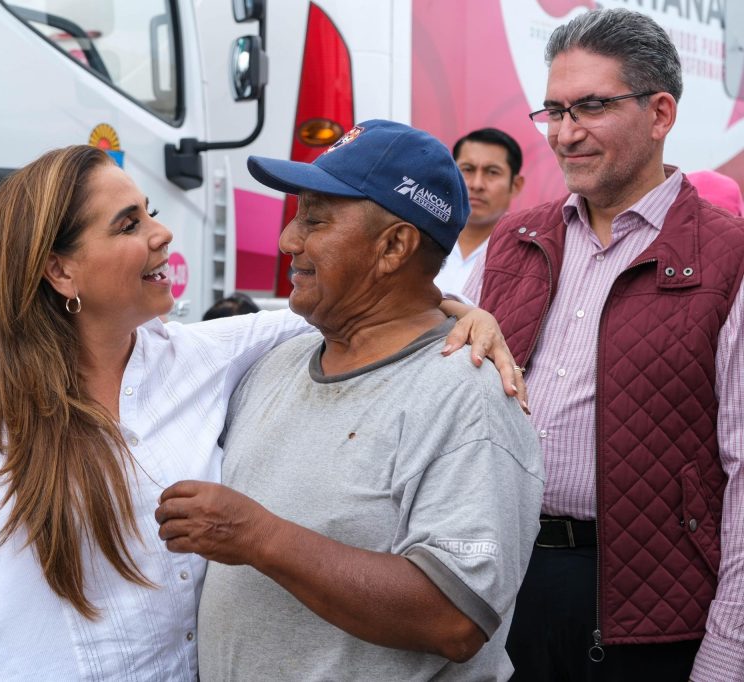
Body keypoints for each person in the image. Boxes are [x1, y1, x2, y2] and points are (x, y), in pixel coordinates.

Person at [0, 145, 523, 681]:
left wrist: (467, 313)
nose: (161, 234)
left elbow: (379, 305)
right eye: (128, 225)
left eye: (151, 214)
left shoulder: (209, 357)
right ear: (60, 270)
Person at [155, 120, 544, 681]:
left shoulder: (469, 396)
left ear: (393, 247)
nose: (289, 240)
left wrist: (258, 537)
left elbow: (455, 619)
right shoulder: (276, 363)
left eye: (315, 219)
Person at [463, 9, 744, 681]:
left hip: (651, 617)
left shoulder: (727, 256)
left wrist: (727, 650)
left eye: (591, 106)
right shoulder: (512, 244)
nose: (565, 133)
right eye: (555, 111)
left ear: (661, 113)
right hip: (501, 590)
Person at [433, 128, 524, 295]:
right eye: (467, 169)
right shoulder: (421, 239)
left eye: (492, 172)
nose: (476, 184)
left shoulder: (525, 255)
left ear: (516, 185)